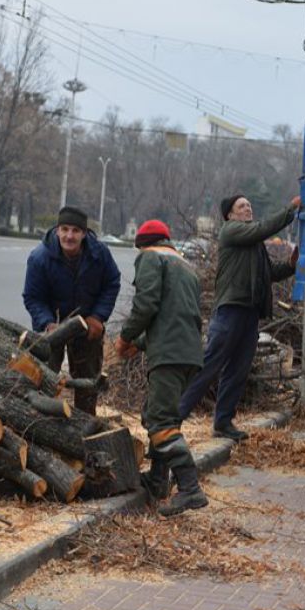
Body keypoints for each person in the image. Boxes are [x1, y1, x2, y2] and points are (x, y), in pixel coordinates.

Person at [178, 194, 301, 441]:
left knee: (238, 370)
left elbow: (269, 273)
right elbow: (263, 229)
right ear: (230, 216)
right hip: (230, 310)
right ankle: (173, 420)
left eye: (249, 205)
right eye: (241, 206)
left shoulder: (254, 245)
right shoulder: (231, 232)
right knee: (210, 366)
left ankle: (223, 422)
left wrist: (290, 264)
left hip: (249, 313)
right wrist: (290, 210)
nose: (248, 209)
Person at [115, 220, 208, 516]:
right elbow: (174, 317)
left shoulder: (150, 257)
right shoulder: (186, 267)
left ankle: (190, 489)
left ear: (141, 245)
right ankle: (157, 480)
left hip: (169, 356)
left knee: (160, 422)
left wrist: (125, 337)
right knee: (157, 415)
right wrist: (142, 342)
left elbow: (146, 305)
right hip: (188, 354)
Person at [22, 206, 121, 415]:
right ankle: (41, 422)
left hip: (87, 324)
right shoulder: (40, 258)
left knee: (87, 382)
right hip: (52, 325)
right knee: (44, 378)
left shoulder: (99, 254)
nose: (69, 236)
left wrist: (98, 317)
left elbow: (112, 282)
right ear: (57, 230)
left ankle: (85, 422)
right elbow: (33, 297)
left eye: (75, 231)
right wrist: (47, 323)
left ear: (84, 234)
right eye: (64, 229)